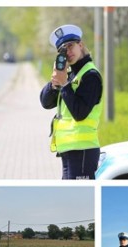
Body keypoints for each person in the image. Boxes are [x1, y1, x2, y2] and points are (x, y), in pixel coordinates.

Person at [39, 24, 103, 179]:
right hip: (68, 150)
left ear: (80, 45)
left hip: (83, 150)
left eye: (70, 46)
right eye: (63, 50)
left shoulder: (91, 75)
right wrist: (55, 81)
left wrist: (65, 85)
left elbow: (80, 113)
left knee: (80, 200)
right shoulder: (69, 74)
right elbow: (45, 102)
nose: (68, 52)